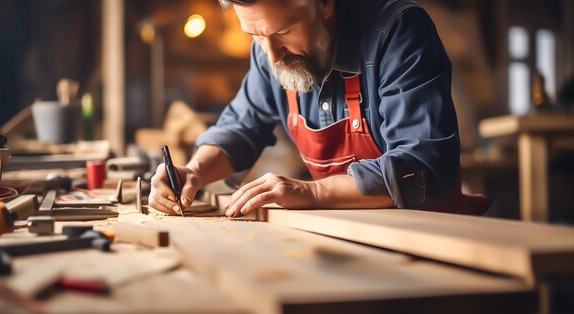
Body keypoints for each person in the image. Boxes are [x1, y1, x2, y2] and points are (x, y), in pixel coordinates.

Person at [149, 0, 489, 217]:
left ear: (324, 3)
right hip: (349, 236)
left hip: (433, 237)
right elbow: (241, 125)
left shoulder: (397, 31)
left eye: (283, 31)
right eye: (255, 37)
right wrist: (193, 172)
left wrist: (312, 191)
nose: (271, 55)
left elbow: (423, 164)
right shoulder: (271, 52)